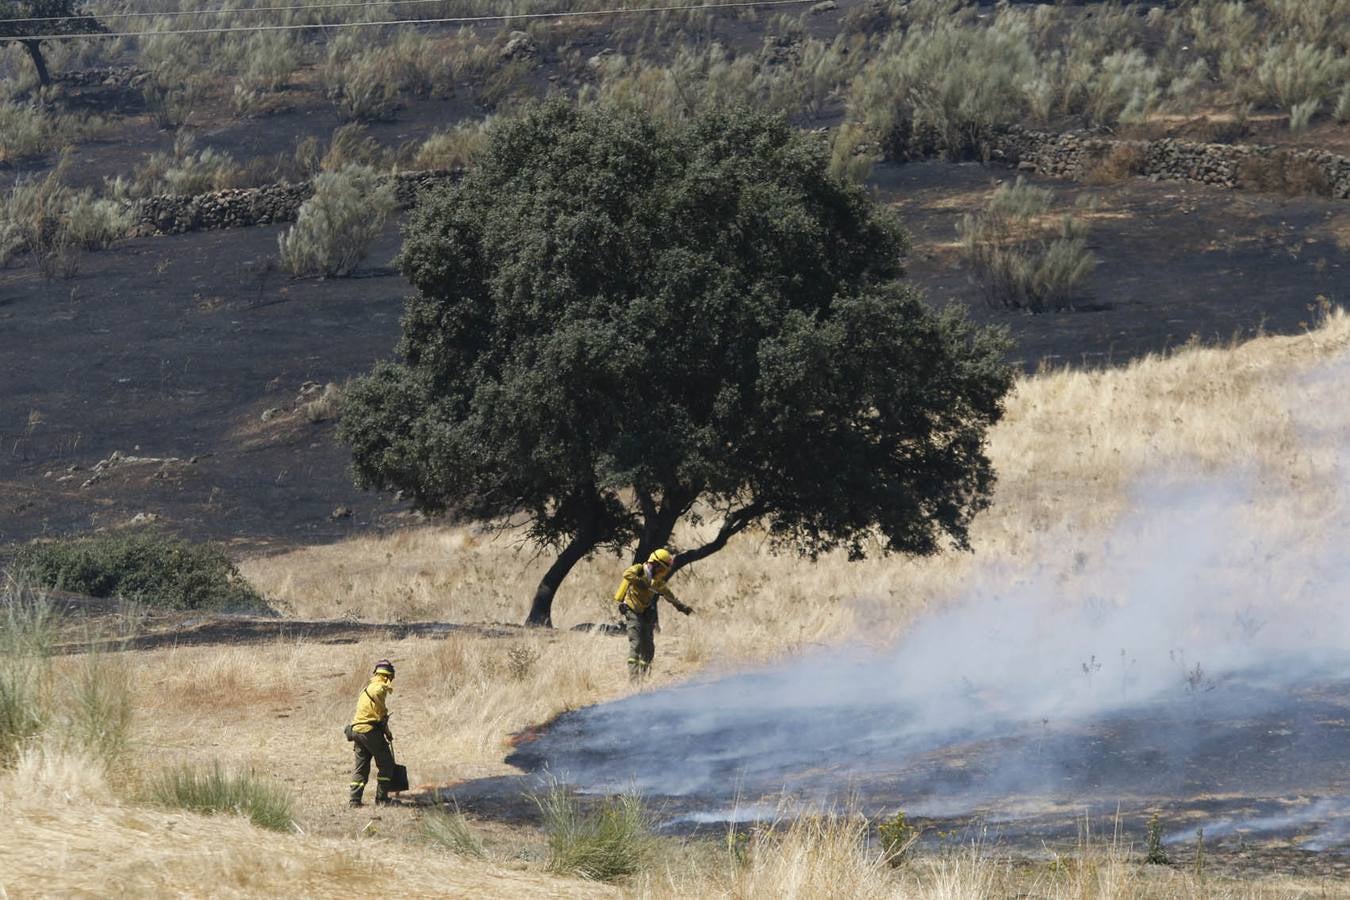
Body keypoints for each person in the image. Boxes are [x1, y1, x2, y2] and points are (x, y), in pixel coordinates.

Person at [614, 548, 694, 680]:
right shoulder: (639, 570)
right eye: (662, 569)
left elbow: (669, 596)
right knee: (637, 643)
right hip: (632, 610)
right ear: (655, 564)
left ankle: (644, 678)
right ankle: (634, 681)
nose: (663, 573)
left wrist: (683, 607)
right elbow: (626, 574)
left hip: (645, 613)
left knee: (649, 647)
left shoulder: (657, 582)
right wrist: (642, 582)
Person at [346, 658, 398, 807]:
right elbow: (381, 714)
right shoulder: (379, 689)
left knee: (361, 767)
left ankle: (354, 801)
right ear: (387, 676)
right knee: (386, 764)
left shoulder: (367, 688)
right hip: (369, 731)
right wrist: (387, 732)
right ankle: (382, 799)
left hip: (356, 731)